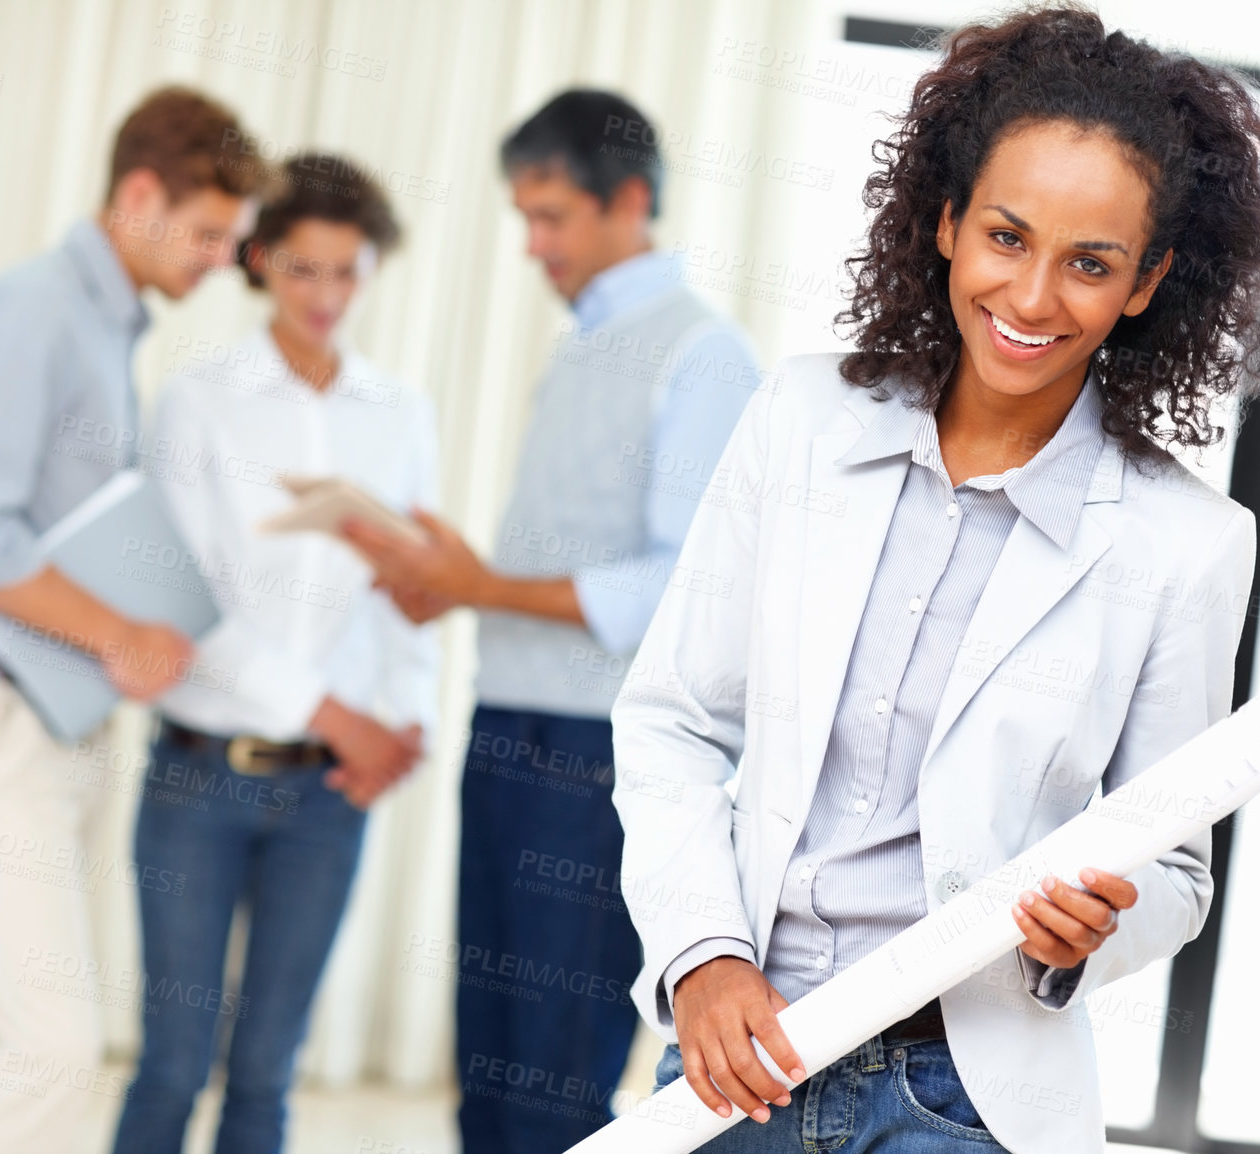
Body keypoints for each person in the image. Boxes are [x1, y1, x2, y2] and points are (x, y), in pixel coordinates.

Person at [612, 8, 1260, 1153]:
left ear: (1147, 282)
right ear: (945, 220)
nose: (1033, 298)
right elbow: (675, 722)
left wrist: (1088, 932)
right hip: (741, 1048)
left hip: (966, 1097)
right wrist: (703, 957)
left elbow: (1176, 869)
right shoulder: (798, 419)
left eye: (1090, 263)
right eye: (1006, 236)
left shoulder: (1185, 544)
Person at [344, 90, 764, 1152]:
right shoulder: (583, 343)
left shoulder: (701, 354)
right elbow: (570, 558)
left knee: (551, 1074)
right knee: (485, 1055)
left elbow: (676, 588)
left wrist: (479, 583)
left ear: (627, 200)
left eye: (551, 215)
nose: (532, 245)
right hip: (510, 723)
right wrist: (453, 578)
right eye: (523, 217)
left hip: (593, 753)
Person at [0, 88, 272, 1154]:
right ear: (139, 193)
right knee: (53, 1045)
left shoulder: (104, 325)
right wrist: (120, 632)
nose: (219, 261)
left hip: (43, 714)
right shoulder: (38, 309)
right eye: (207, 234)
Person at [109, 152, 439, 1154]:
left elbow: (406, 586)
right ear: (260, 261)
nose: (327, 296)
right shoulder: (198, 400)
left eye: (348, 271)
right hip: (198, 782)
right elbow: (186, 608)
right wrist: (339, 714)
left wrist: (406, 719)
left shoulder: (399, 412)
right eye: (303, 270)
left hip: (326, 799)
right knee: (171, 1061)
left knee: (266, 1072)